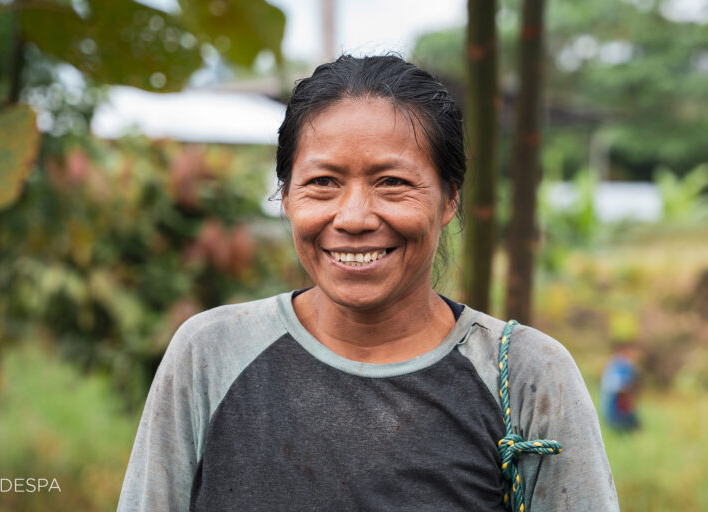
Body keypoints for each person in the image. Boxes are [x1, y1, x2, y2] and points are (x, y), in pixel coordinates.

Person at [117, 55, 618, 511]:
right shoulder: (209, 354)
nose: (353, 217)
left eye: (392, 183)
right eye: (323, 183)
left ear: (448, 201)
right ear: (287, 198)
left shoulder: (528, 374)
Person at [600, 342, 642, 431]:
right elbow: (619, 388)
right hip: (615, 415)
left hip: (621, 413)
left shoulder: (623, 366)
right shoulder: (617, 367)